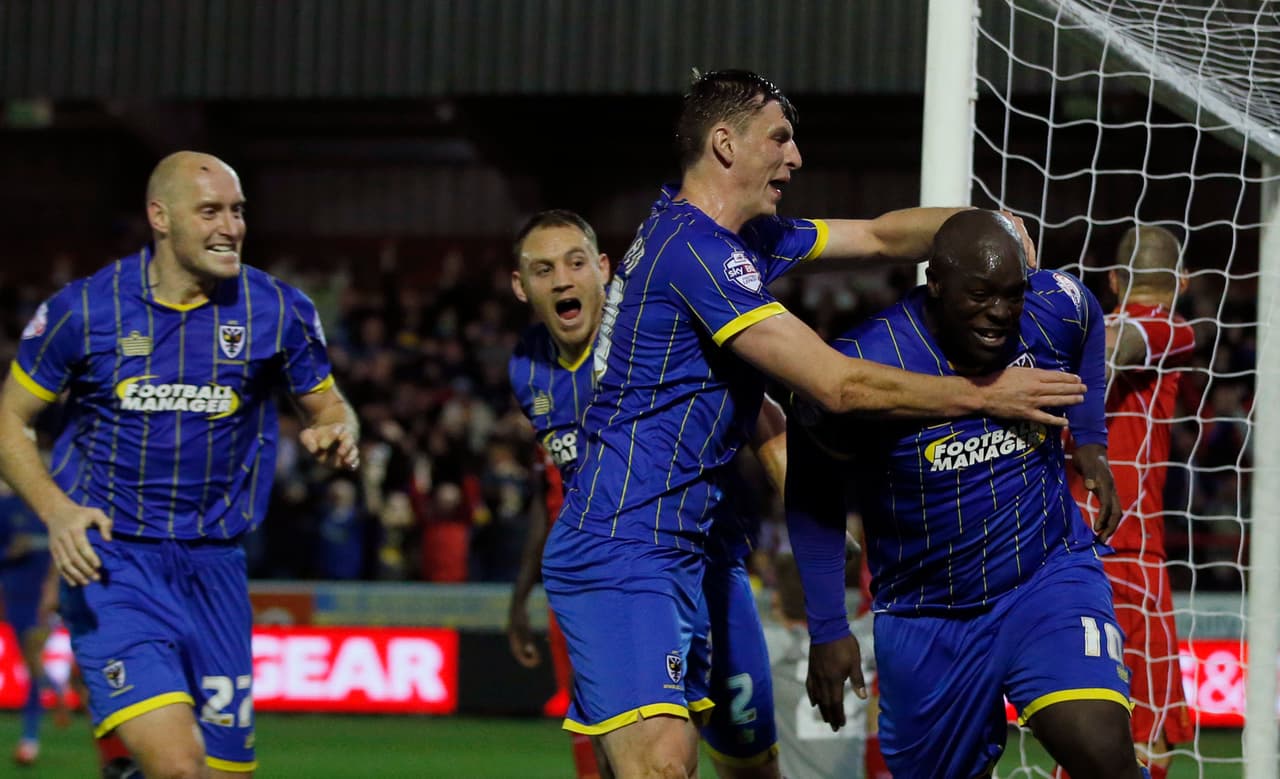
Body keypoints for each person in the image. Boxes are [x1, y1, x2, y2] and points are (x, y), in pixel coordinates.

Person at [544, 69, 1088, 778]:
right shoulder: (697, 255)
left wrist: (981, 226)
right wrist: (988, 394)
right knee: (660, 766)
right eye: (779, 138)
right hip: (623, 547)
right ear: (724, 144)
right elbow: (838, 383)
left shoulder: (739, 239)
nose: (795, 157)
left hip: (697, 552)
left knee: (749, 763)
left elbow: (884, 235)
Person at [0, 151, 359, 779]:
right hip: (115, 563)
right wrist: (55, 512)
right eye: (211, 211)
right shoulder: (85, 310)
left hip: (216, 569)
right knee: (178, 767)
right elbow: (9, 418)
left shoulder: (279, 309)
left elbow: (326, 403)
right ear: (160, 217)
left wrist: (337, 426)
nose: (231, 227)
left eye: (238, 211)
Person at [786, 209, 1146, 778]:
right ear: (936, 283)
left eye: (1012, 295)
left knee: (1105, 755)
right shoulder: (865, 363)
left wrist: (1092, 441)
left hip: (1046, 579)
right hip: (925, 616)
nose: (1001, 313)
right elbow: (811, 494)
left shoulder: (1050, 309)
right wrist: (828, 627)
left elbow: (1086, 312)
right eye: (981, 295)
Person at [504, 209, 787, 778]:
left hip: (710, 568)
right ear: (520, 286)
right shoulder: (526, 369)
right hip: (622, 580)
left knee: (750, 765)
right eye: (543, 269)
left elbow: (761, 415)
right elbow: (555, 489)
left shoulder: (653, 332)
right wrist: (520, 597)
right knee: (637, 765)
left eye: (576, 263)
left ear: (604, 269)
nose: (562, 280)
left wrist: (815, 527)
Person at [1064, 225, 1196, 779]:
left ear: (1115, 280)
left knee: (1081, 729)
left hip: (1067, 559)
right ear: (1183, 282)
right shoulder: (1172, 328)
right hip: (1132, 557)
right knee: (1147, 732)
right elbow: (1121, 346)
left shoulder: (1074, 336)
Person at [0, 478, 61, 766]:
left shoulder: (47, 508)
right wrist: (10, 553)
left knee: (34, 660)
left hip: (47, 598)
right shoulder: (6, 508)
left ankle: (29, 740)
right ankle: (59, 690)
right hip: (18, 598)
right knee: (31, 662)